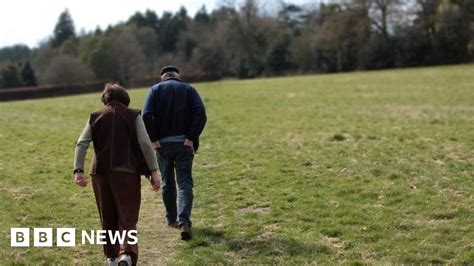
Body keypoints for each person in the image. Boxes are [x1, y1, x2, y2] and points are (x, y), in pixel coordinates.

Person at [73, 83, 161, 266]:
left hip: (99, 173)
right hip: (126, 173)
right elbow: (145, 144)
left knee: (107, 216)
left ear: (106, 99)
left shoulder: (95, 116)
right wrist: (153, 171)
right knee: (127, 216)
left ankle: (111, 257)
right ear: (124, 98)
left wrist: (78, 171)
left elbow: (82, 143)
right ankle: (127, 254)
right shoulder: (133, 115)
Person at [142, 65, 207, 241]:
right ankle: (184, 221)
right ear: (178, 76)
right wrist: (191, 138)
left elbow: (146, 115)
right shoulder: (188, 89)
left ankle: (171, 218)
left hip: (162, 145)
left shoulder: (154, 90)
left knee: (167, 182)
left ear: (162, 76)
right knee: (185, 183)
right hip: (184, 144)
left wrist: (154, 139)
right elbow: (201, 113)